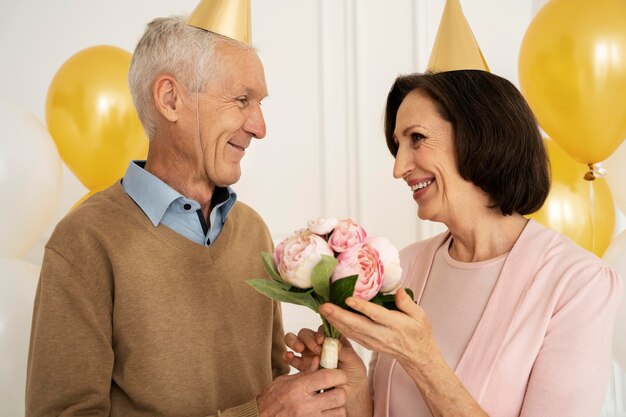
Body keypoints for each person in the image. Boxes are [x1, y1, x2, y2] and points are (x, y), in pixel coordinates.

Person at [26, 15, 349, 417]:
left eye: (260, 103)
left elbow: (268, 388)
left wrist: (302, 395)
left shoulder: (253, 232)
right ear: (170, 99)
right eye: (242, 99)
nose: (260, 126)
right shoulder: (86, 240)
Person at [285, 70, 623, 417]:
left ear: (480, 137)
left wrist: (422, 359)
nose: (399, 167)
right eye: (398, 145)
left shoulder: (578, 284)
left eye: (416, 138)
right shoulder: (409, 265)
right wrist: (353, 387)